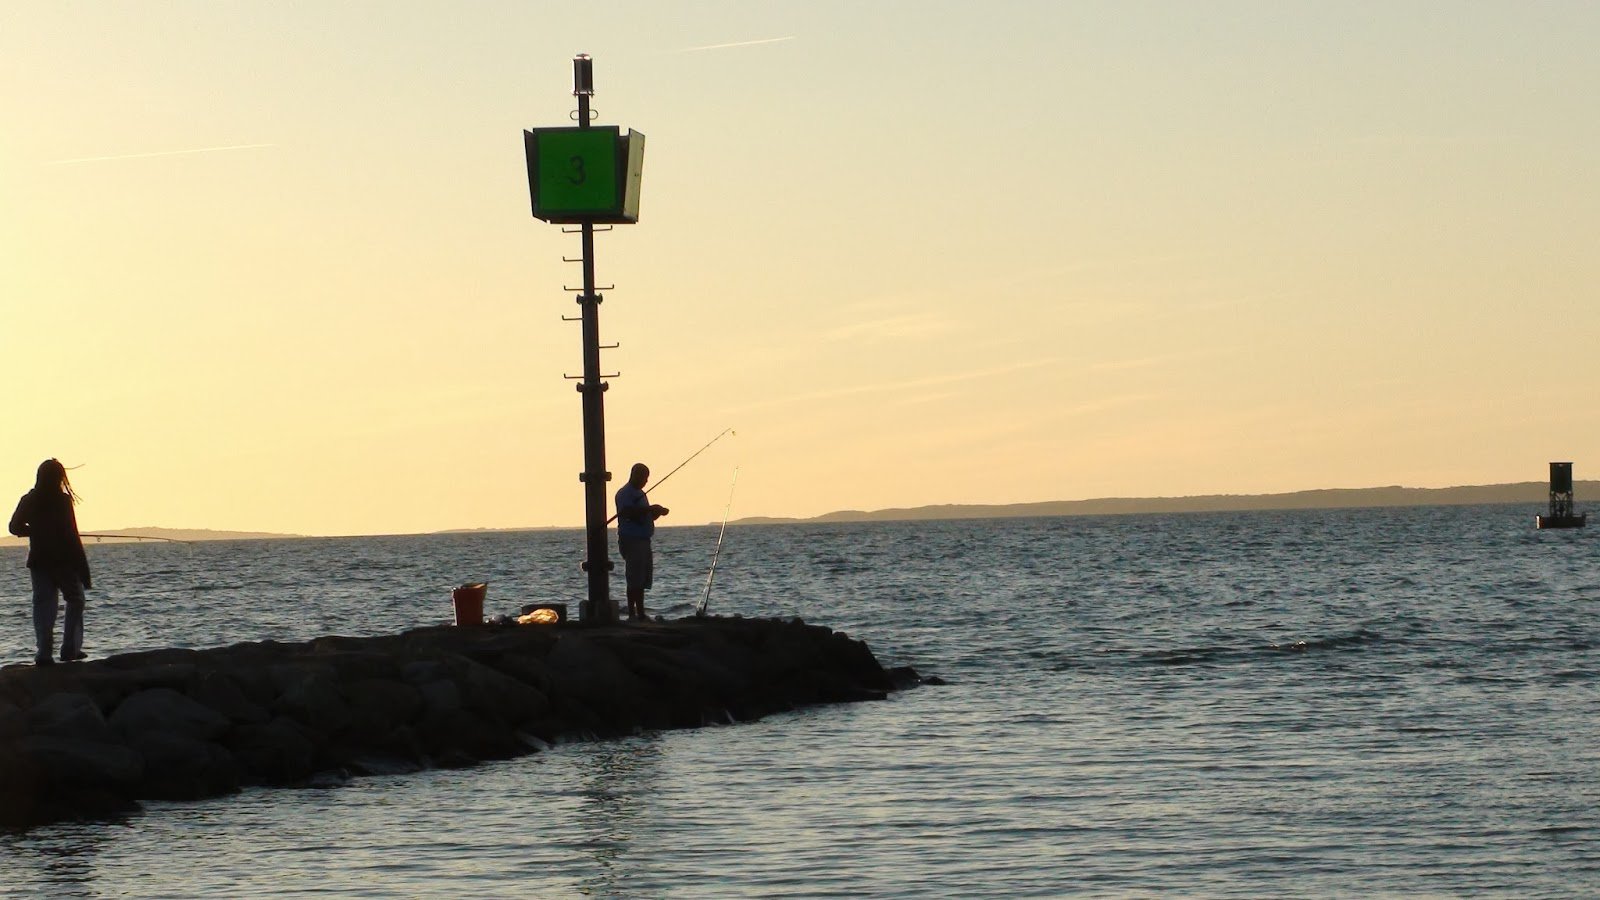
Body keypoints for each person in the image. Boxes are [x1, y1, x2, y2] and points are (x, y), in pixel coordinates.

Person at [8, 459, 91, 665]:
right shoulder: (63, 501)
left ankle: (44, 654)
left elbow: (14, 527)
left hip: (39, 561)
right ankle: (70, 650)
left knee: (44, 606)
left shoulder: (29, 499)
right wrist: (83, 569)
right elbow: (72, 535)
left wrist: (32, 530)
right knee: (75, 599)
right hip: (63, 561)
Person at [614, 462, 668, 621]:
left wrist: (656, 512)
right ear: (635, 475)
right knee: (634, 577)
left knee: (642, 577)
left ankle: (641, 613)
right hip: (631, 540)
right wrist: (649, 509)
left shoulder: (642, 494)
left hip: (643, 540)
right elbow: (628, 513)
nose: (646, 481)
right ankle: (633, 614)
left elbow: (645, 516)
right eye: (644, 477)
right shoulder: (625, 493)